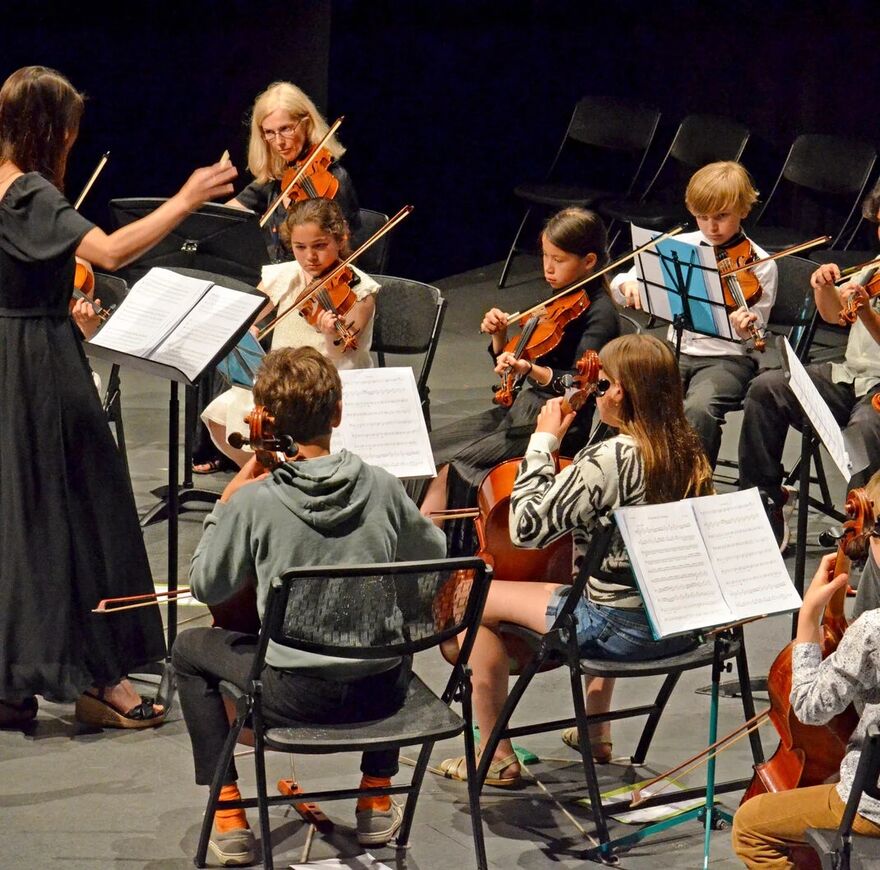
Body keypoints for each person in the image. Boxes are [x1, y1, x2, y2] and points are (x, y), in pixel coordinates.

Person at [0, 66, 237, 728]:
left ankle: (13, 681)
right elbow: (108, 251)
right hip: (39, 366)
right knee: (91, 510)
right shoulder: (29, 194)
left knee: (23, 518)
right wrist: (187, 198)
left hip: (11, 357)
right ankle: (106, 681)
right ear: (55, 130)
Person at [173, 346, 447, 865]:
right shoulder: (384, 487)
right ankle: (375, 795)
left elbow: (205, 584)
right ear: (338, 414)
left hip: (291, 698)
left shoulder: (255, 501)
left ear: (267, 421)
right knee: (393, 624)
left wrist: (227, 503)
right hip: (380, 694)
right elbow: (431, 557)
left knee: (188, 649)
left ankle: (229, 814)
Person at [435, 334, 714, 784]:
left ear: (619, 391)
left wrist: (543, 442)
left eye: (601, 383)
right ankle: (596, 729)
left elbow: (526, 528)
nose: (594, 389)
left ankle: (494, 754)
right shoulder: (687, 448)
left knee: (467, 597)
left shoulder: (611, 458)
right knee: (606, 575)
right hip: (680, 627)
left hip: (619, 632)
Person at [419, 207, 621, 554]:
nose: (548, 268)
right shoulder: (559, 297)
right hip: (523, 407)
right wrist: (501, 339)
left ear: (589, 260)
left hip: (560, 422)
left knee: (449, 466)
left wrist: (529, 370)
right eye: (544, 256)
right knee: (427, 449)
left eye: (558, 259)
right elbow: (511, 364)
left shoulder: (600, 313)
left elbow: (578, 389)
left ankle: (429, 556)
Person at [738, 182, 880, 549]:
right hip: (850, 376)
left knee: (863, 433)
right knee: (767, 388)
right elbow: (834, 314)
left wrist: (866, 310)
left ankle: (861, 536)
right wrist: (823, 288)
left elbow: (862, 315)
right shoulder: (875, 268)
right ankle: (763, 499)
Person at [612, 160, 778, 469]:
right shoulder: (679, 246)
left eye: (721, 217)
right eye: (702, 217)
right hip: (675, 350)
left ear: (743, 210)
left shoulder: (762, 264)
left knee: (699, 410)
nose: (711, 227)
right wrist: (630, 283)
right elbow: (618, 282)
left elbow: (754, 334)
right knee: (624, 393)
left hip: (726, 360)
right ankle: (632, 476)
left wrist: (744, 326)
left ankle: (693, 488)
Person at [201, 197, 379, 468]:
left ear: (340, 240)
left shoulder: (360, 291)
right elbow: (248, 311)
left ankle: (287, 476)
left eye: (320, 246)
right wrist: (246, 325)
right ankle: (272, 475)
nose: (310, 257)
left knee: (275, 419)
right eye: (300, 247)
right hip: (283, 381)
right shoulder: (285, 276)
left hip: (327, 386)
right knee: (219, 415)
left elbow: (344, 351)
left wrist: (329, 332)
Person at [731, 553, 880, 867]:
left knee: (749, 825)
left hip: (873, 807)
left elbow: (810, 708)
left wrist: (809, 615)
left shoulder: (871, 631)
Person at [227, 80, 360, 264]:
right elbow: (225, 216)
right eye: (269, 132)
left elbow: (339, 252)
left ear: (306, 123)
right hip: (276, 275)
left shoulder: (334, 178)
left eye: (286, 129)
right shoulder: (280, 175)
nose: (279, 142)